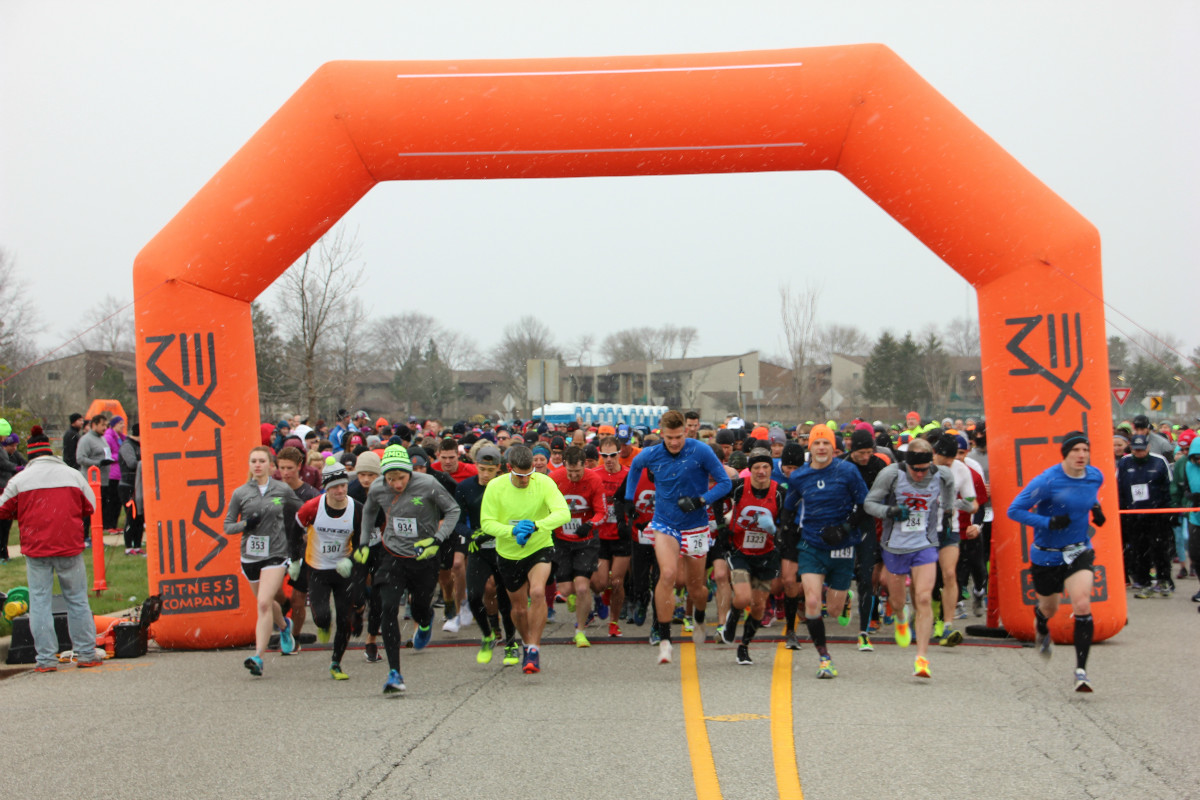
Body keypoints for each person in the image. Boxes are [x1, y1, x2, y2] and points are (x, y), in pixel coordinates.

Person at [625, 410, 732, 664]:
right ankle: (664, 640)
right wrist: (629, 498)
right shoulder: (652, 453)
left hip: (695, 526)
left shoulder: (700, 451)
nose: (674, 442)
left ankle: (699, 618)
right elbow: (635, 467)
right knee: (669, 575)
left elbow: (725, 484)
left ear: (686, 431)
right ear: (662, 433)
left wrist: (701, 500)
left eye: (679, 437)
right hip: (665, 523)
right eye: (669, 437)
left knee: (696, 587)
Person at [358, 445, 461, 694]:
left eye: (401, 478)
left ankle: (425, 622)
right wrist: (362, 541)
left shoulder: (428, 484)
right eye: (391, 479)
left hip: (424, 556)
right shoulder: (378, 487)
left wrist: (437, 539)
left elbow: (453, 510)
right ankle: (395, 673)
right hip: (392, 554)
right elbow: (369, 511)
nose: (396, 484)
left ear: (410, 473)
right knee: (388, 607)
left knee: (419, 608)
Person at [1007, 431, 1105, 692]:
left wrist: (1096, 509)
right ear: (1065, 453)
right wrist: (1047, 522)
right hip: (1047, 553)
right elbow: (1014, 510)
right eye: (1076, 451)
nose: (1081, 455)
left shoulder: (1095, 476)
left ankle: (1081, 671)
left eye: (1085, 450)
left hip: (1078, 549)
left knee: (1082, 603)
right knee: (1049, 608)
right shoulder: (1047, 481)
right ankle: (1041, 622)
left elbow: (1088, 495)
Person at [0, 429, 102, 671]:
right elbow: (91, 506)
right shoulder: (72, 475)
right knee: (77, 600)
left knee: (39, 602)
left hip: (36, 549)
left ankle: (46, 659)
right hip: (69, 546)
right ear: (51, 452)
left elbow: (3, 509)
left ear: (32, 455)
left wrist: (21, 512)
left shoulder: (20, 480)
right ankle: (86, 653)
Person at [864, 438, 955, 679]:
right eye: (915, 469)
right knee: (896, 601)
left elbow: (949, 493)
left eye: (924, 469)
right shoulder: (891, 474)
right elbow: (869, 503)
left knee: (923, 598)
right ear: (907, 464)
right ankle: (901, 617)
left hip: (925, 544)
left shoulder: (941, 474)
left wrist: (946, 515)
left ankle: (922, 659)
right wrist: (890, 511)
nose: (919, 474)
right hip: (895, 546)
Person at [782, 424, 869, 678]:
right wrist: (784, 529)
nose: (821, 448)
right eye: (817, 444)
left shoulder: (848, 471)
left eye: (826, 444)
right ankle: (824, 658)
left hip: (842, 547)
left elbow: (864, 506)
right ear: (810, 448)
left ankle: (844, 599)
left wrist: (844, 528)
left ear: (834, 448)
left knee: (832, 610)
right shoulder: (799, 476)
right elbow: (789, 506)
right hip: (811, 545)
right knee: (811, 602)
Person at [480, 444, 571, 674]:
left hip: (539, 546)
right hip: (509, 553)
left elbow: (563, 513)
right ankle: (527, 641)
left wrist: (537, 525)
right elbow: (487, 523)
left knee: (538, 592)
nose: (525, 480)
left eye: (529, 474)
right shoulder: (495, 486)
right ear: (509, 468)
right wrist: (512, 531)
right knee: (519, 609)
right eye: (520, 476)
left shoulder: (544, 482)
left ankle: (535, 649)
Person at [223, 446, 302, 676]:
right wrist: (246, 525)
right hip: (250, 556)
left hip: (276, 554)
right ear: (249, 465)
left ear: (270, 465)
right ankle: (285, 626)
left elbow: (303, 508)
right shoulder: (241, 493)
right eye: (253, 461)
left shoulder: (281, 489)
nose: (257, 465)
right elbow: (227, 526)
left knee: (264, 603)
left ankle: (258, 657)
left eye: (261, 461)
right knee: (264, 601)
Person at [292, 461, 363, 680]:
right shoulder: (312, 507)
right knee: (322, 617)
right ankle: (323, 625)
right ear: (326, 488)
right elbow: (294, 531)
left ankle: (336, 663)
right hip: (318, 569)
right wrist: (294, 561)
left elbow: (363, 543)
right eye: (334, 487)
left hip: (343, 571)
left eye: (343, 486)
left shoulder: (356, 509)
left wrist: (351, 560)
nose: (340, 491)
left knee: (344, 619)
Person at [457, 445, 521, 665]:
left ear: (498, 469)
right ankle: (487, 634)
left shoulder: (506, 487)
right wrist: (472, 534)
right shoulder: (465, 487)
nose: (485, 475)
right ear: (475, 465)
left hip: (503, 548)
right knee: (474, 596)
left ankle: (512, 643)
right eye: (481, 469)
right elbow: (456, 521)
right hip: (478, 549)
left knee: (505, 598)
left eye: (490, 470)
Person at [722, 448, 782, 665]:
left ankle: (744, 646)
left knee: (758, 605)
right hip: (740, 553)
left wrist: (774, 529)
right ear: (750, 469)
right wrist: (721, 522)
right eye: (756, 467)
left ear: (771, 469)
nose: (761, 471)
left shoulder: (778, 493)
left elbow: (786, 526)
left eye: (765, 466)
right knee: (743, 597)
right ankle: (733, 616)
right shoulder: (738, 488)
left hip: (766, 555)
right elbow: (717, 497)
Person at [549, 445, 607, 647]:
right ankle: (573, 596)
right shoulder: (555, 479)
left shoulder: (593, 480)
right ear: (564, 466)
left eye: (578, 472)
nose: (573, 476)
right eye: (570, 471)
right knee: (566, 590)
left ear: (585, 466)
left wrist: (590, 523)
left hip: (586, 540)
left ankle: (580, 631)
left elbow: (602, 511)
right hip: (561, 539)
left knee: (583, 587)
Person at [1117, 434, 1174, 598]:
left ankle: (1164, 579)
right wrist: (1123, 510)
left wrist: (1168, 511)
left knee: (1160, 548)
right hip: (1134, 514)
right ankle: (1144, 582)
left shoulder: (1159, 461)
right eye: (1136, 449)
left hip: (1157, 514)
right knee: (1139, 550)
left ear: (1148, 448)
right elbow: (1119, 487)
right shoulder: (1125, 462)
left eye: (1142, 449)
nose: (1139, 453)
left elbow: (1168, 487)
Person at [274, 446, 321, 647]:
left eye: (289, 468)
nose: (285, 472)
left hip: (303, 550)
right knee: (274, 592)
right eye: (281, 468)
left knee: (298, 598)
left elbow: (321, 523)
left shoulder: (310, 494)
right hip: (278, 548)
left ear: (299, 467)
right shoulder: (273, 490)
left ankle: (294, 635)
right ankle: (284, 606)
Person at [591, 435, 633, 638]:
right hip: (600, 536)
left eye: (612, 455)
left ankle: (613, 622)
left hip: (621, 535)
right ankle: (600, 596)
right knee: (599, 583)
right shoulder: (594, 475)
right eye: (604, 455)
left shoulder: (628, 475)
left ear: (619, 454)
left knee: (617, 582)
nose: (608, 459)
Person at [1168, 436, 1200, 606]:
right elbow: (1184, 487)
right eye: (1197, 457)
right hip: (1196, 516)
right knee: (1195, 554)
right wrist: (1189, 497)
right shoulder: (1188, 465)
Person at [117, 423, 144, 555]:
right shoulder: (127, 445)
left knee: (140, 517)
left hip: (138, 486)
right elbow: (132, 463)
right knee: (131, 517)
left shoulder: (138, 445)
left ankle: (138, 545)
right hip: (127, 486)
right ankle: (128, 546)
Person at [101, 416, 127, 534]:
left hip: (120, 473)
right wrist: (120, 456)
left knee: (118, 502)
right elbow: (108, 455)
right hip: (112, 474)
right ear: (114, 424)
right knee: (111, 501)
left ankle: (114, 525)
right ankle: (108, 525)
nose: (123, 425)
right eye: (120, 423)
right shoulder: (108, 437)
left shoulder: (122, 437)